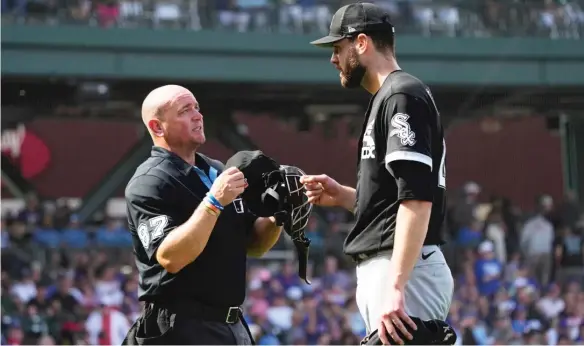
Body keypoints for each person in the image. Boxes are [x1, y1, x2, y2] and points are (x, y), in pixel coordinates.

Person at [305, 3, 454, 345]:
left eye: (337, 48)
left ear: (361, 43)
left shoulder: (401, 94)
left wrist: (396, 285)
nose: (333, 59)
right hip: (398, 266)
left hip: (405, 269)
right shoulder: (388, 97)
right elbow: (397, 202)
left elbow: (417, 198)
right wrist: (344, 196)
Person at [122, 84, 283, 345]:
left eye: (197, 107)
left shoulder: (216, 170)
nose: (198, 115)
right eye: (185, 110)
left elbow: (254, 245)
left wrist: (280, 215)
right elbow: (170, 257)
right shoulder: (150, 181)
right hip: (181, 328)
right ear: (157, 127)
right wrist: (214, 201)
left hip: (232, 325)